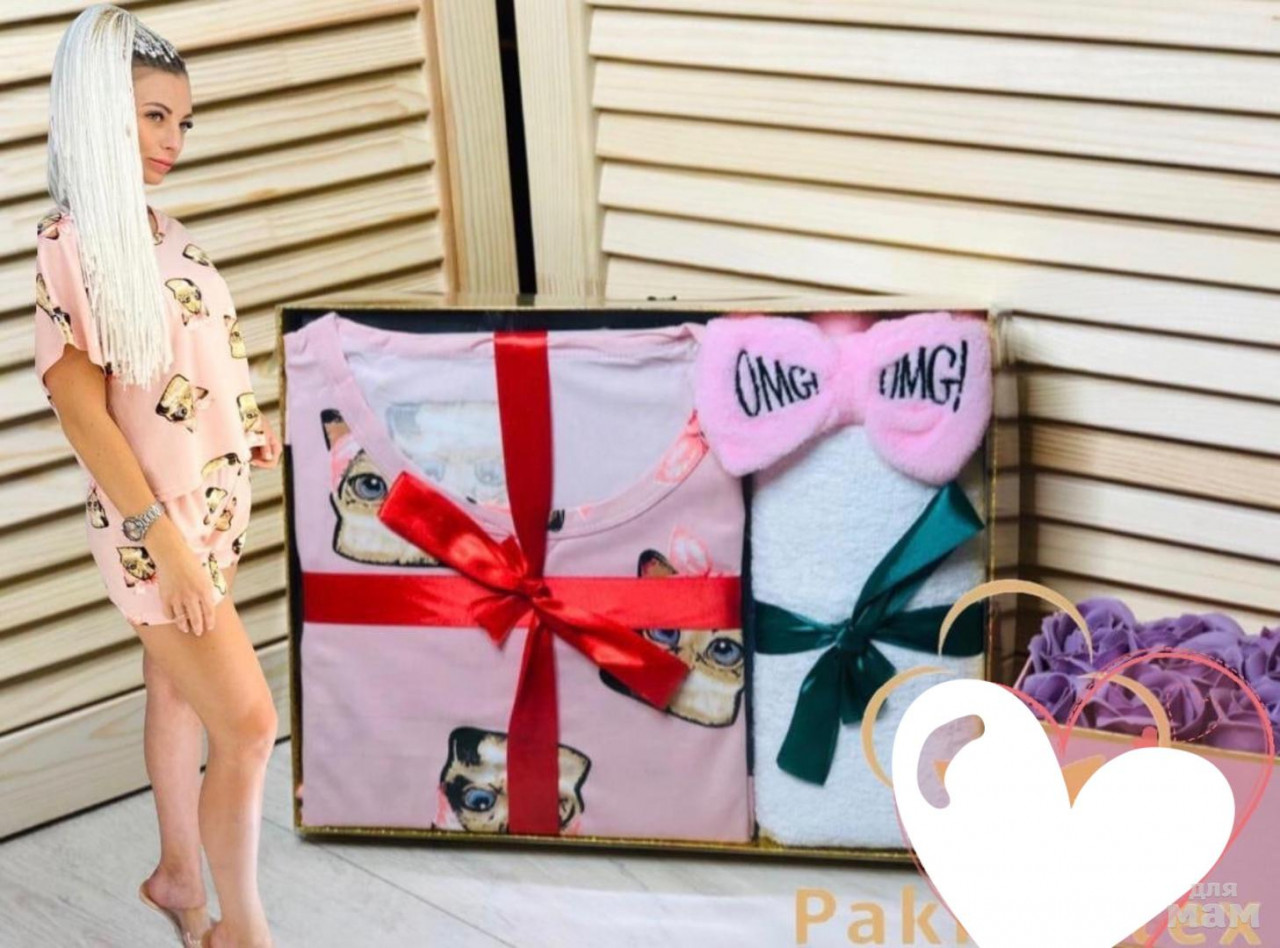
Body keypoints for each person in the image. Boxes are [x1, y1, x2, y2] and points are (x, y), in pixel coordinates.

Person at [35, 6, 281, 946]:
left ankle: (180, 872)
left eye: (183, 121)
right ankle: (241, 930)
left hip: (210, 506)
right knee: (249, 726)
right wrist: (162, 544)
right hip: (154, 528)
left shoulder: (161, 229)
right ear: (102, 111)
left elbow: (187, 362)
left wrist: (242, 428)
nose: (174, 139)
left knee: (175, 689)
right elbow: (80, 409)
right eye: (153, 116)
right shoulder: (74, 241)